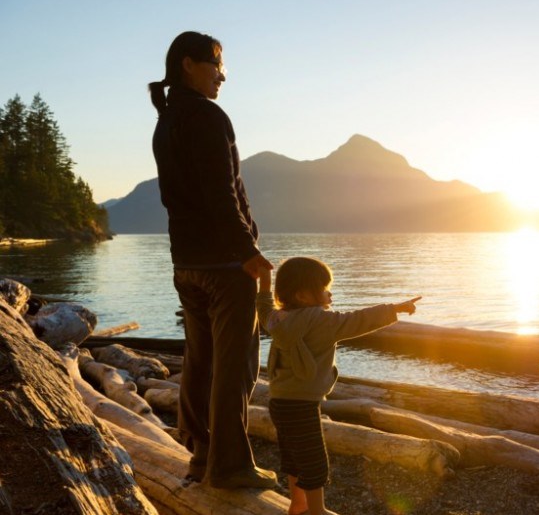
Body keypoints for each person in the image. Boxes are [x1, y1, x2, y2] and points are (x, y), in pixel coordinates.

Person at [149, 31, 277, 489]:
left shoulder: (167, 120)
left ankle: (203, 456)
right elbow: (221, 194)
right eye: (215, 65)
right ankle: (230, 466)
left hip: (187, 263)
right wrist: (249, 252)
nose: (222, 75)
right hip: (225, 265)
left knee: (200, 361)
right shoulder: (206, 115)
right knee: (236, 364)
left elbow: (177, 197)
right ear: (188, 64)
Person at [257, 257, 420, 515]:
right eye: (323, 288)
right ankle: (317, 510)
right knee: (314, 461)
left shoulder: (278, 320)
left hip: (278, 402)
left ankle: (297, 505)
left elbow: (264, 310)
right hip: (303, 405)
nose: (329, 293)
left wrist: (264, 283)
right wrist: (394, 309)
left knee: (293, 456)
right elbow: (358, 320)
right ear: (303, 295)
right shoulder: (321, 321)